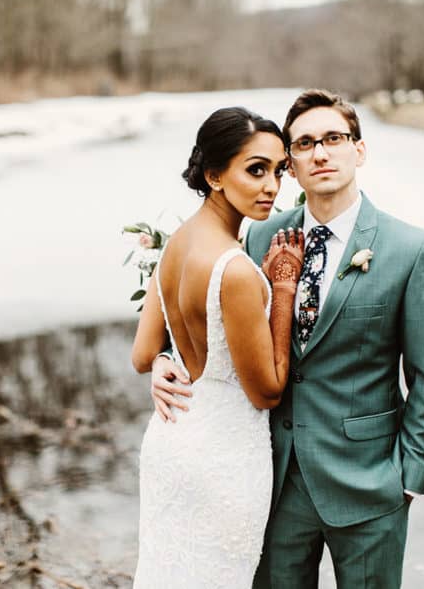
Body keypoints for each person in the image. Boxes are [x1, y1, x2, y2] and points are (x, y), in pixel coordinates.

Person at [150, 89, 424, 589]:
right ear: (289, 162)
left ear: (358, 149)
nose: (320, 153)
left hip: (371, 484)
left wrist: (409, 479)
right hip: (274, 480)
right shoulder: (260, 236)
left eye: (334, 138)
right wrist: (166, 358)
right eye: (305, 143)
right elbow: (203, 314)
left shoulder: (412, 249)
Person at [130, 106, 305, 588]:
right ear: (214, 176)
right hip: (223, 459)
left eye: (278, 170)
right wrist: (283, 289)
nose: (272, 186)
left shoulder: (174, 245)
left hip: (172, 438)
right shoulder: (236, 270)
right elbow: (266, 392)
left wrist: (167, 360)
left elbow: (143, 355)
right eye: (256, 170)